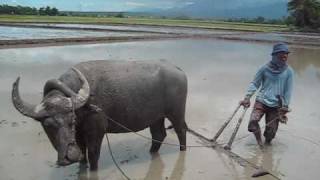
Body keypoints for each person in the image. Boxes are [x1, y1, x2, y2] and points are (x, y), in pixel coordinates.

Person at [240, 42, 294, 147]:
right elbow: (255, 84)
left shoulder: (289, 72)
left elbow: (288, 91)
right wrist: (247, 98)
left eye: (286, 54)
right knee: (253, 121)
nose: (285, 56)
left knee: (271, 131)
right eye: (282, 54)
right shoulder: (264, 68)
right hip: (261, 100)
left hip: (276, 105)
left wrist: (285, 106)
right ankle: (260, 143)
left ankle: (267, 143)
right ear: (274, 55)